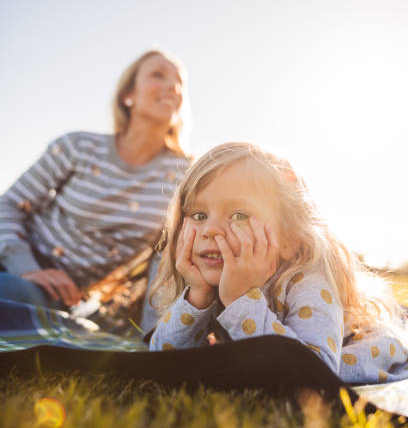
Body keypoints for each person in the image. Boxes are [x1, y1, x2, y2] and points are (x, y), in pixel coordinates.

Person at [149, 142, 408, 385]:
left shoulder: (307, 283)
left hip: (359, 351)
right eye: (198, 215)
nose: (210, 230)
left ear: (289, 238)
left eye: (239, 215)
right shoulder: (207, 283)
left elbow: (314, 373)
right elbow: (161, 359)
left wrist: (241, 300)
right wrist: (197, 296)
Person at [0, 50, 191, 328]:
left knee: (14, 296)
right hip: (16, 257)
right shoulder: (78, 146)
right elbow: (10, 204)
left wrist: (154, 339)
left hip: (57, 293)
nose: (172, 87)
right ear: (128, 96)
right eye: (158, 75)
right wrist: (27, 268)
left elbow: (166, 260)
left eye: (179, 82)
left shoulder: (184, 175)